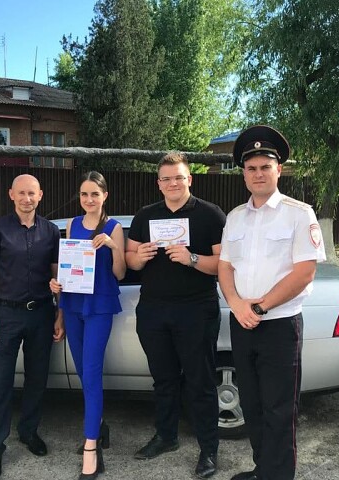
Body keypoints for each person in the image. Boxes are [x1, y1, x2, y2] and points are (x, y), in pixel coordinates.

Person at [218, 125, 326, 480]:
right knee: (252, 404)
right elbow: (225, 267)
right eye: (251, 168)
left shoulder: (299, 214)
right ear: (244, 174)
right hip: (242, 322)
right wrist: (236, 303)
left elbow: (304, 273)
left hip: (279, 325)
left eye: (265, 167)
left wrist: (259, 307)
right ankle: (263, 469)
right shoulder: (235, 217)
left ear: (279, 169)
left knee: (280, 409)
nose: (258, 174)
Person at [125, 152, 226, 479]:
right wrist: (139, 257)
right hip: (153, 310)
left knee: (201, 381)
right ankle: (166, 436)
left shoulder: (210, 214)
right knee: (164, 379)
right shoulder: (146, 216)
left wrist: (192, 258)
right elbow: (129, 259)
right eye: (166, 179)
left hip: (197, 310)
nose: (173, 183)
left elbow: (223, 265)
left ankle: (208, 449)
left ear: (189, 179)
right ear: (159, 183)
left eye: (179, 177)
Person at [0, 174, 65, 480]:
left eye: (32, 193)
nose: (27, 198)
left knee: (37, 379)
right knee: (0, 382)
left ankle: (29, 432)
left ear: (40, 195)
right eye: (21, 193)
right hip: (6, 315)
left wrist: (60, 315)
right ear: (11, 195)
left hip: (41, 313)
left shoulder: (51, 231)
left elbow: (58, 276)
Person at [49, 171, 126, 480]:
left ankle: (91, 447)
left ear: (104, 195)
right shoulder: (72, 224)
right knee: (82, 372)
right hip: (72, 304)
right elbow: (67, 266)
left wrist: (113, 246)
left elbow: (120, 273)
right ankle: (99, 425)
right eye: (84, 194)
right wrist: (57, 285)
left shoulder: (114, 227)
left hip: (99, 306)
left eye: (95, 193)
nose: (89, 199)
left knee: (92, 374)